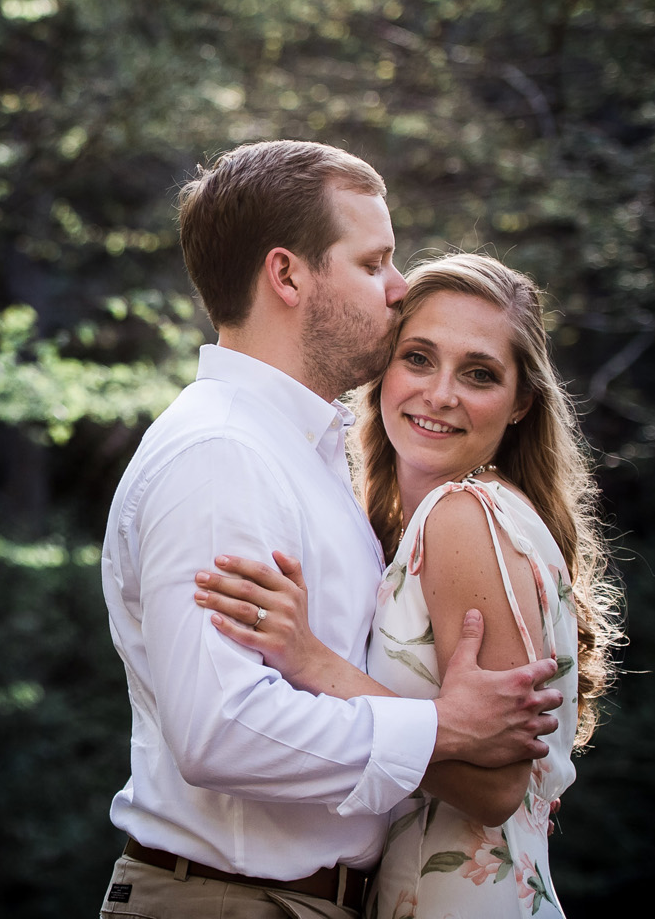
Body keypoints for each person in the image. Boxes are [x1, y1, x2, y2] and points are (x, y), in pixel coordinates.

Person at [97, 141, 564, 919]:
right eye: (374, 262)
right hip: (232, 903)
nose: (400, 285)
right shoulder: (222, 456)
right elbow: (221, 731)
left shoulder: (308, 454)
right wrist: (440, 729)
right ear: (287, 276)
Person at [193, 253, 620, 918]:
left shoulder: (464, 516)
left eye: (479, 374)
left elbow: (497, 789)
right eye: (418, 358)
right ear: (382, 370)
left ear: (520, 404)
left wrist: (313, 662)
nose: (441, 394)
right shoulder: (436, 523)